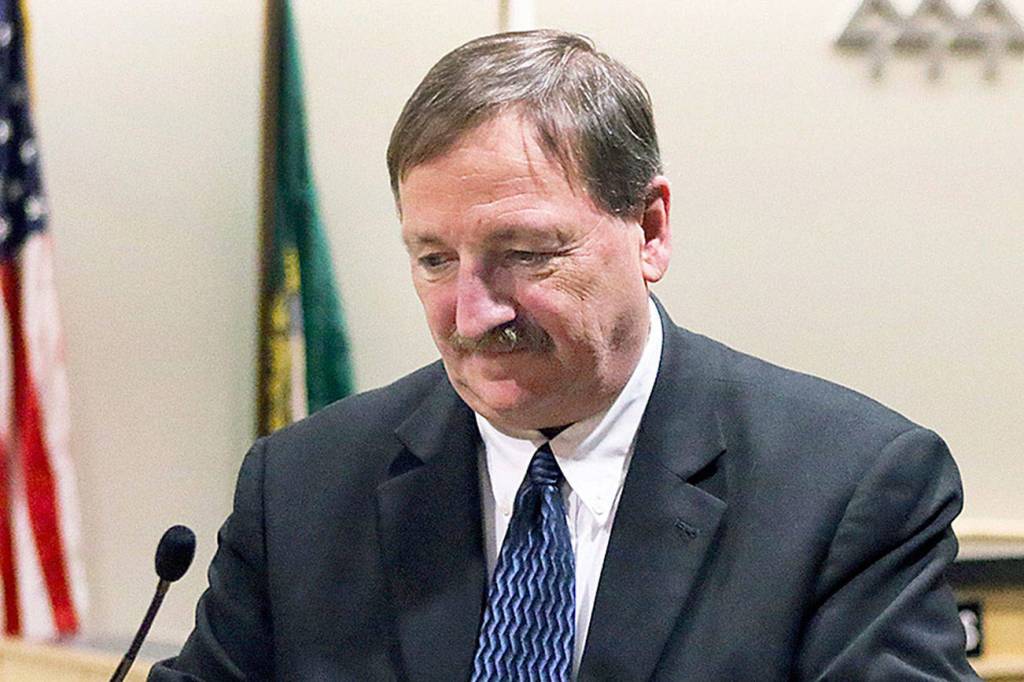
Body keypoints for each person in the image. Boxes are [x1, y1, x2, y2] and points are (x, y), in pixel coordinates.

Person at [151, 30, 978, 681]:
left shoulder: (847, 489)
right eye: (435, 259)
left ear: (649, 229)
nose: (473, 313)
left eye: (524, 253)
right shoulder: (302, 487)